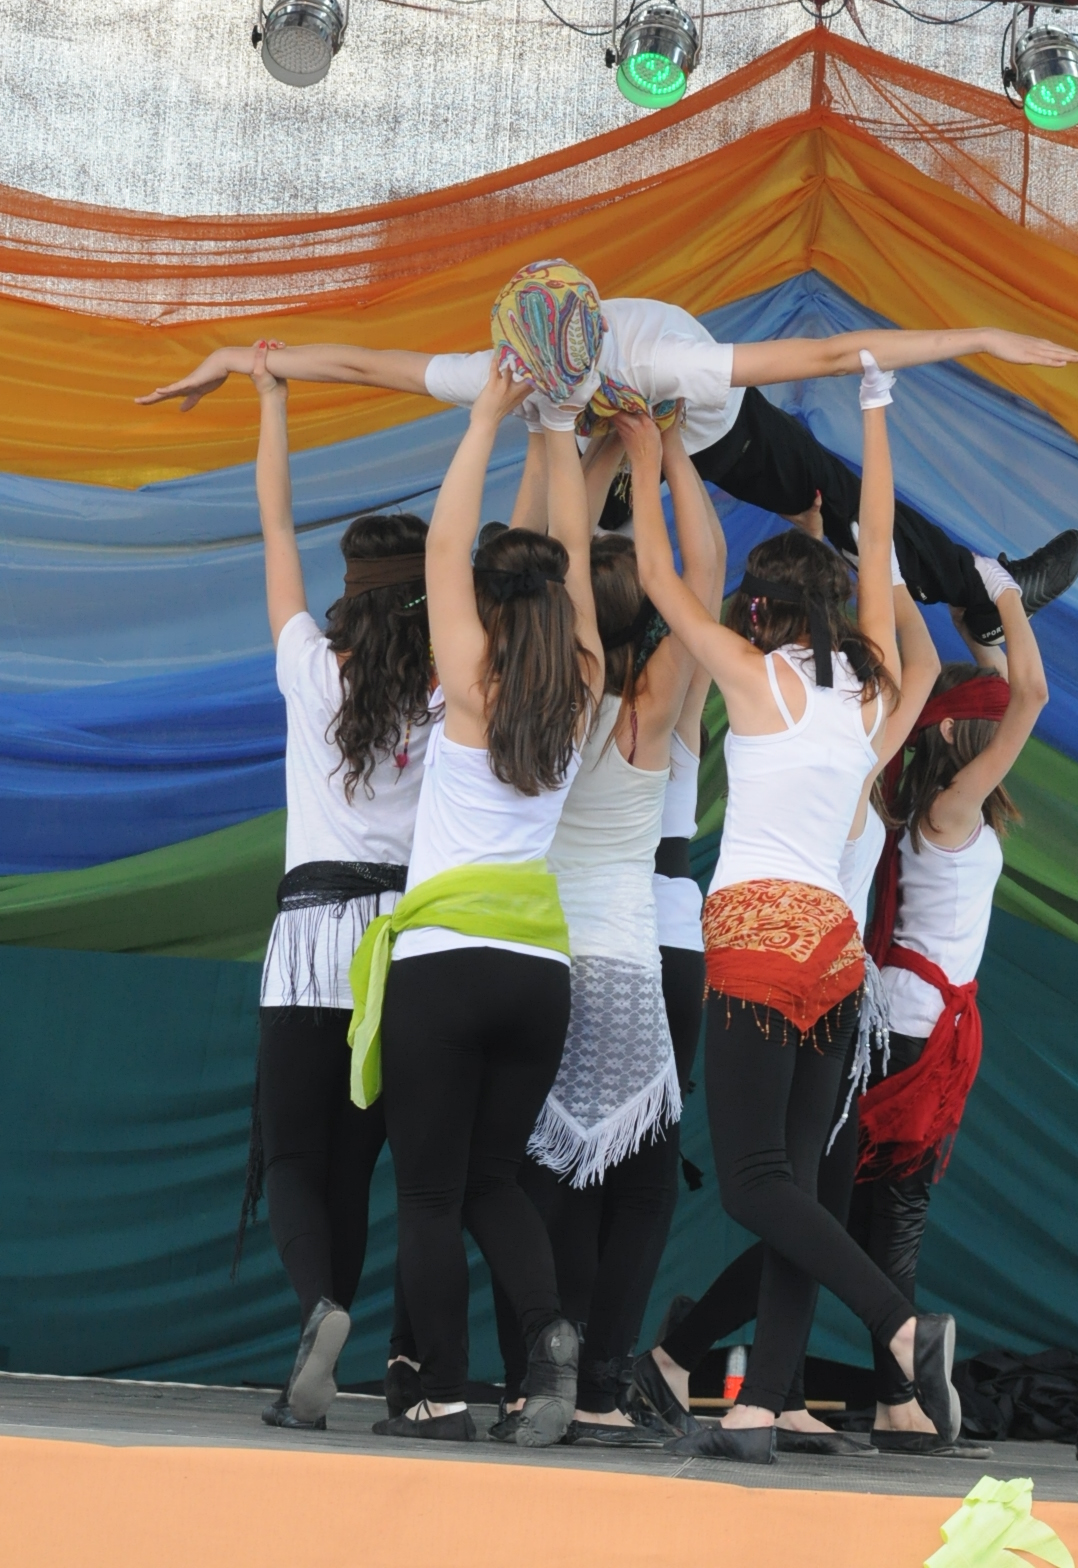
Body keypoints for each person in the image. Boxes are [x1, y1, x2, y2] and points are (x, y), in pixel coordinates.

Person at [617, 352, 961, 1464]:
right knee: (800, 1185)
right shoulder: (874, 692)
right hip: (836, 957)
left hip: (757, 940)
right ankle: (760, 1402)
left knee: (760, 1185)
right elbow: (879, 547)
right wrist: (875, 408)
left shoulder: (750, 675)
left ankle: (897, 1323)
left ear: (757, 612)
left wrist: (651, 451)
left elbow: (660, 576)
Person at [135, 258, 1078, 646]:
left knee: (828, 491)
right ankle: (581, 653)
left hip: (711, 433)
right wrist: (241, 359)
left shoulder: (662, 360)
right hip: (608, 458)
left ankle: (981, 592)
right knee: (557, 560)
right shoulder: (504, 371)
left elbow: (834, 355)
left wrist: (982, 337)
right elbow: (362, 364)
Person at [345, 363, 603, 1446]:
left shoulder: (470, 680)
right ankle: (547, 1331)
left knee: (429, 1197)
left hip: (445, 963)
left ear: (493, 608)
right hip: (539, 973)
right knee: (495, 1178)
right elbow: (571, 554)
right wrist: (558, 430)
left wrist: (490, 415)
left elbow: (443, 546)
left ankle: (439, 1396)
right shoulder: (583, 682)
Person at [493, 413, 722, 1446]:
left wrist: (570, 450)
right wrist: (657, 454)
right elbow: (703, 577)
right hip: (628, 964)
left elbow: (562, 571)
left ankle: (529, 1376)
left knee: (544, 1176)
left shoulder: (554, 689)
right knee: (640, 1186)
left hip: (546, 955)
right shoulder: (650, 704)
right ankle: (596, 1385)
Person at [237, 342, 438, 1433]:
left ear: (348, 597)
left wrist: (271, 397)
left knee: (290, 1154)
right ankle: (347, 1348)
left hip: (311, 933)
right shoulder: (450, 694)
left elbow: (275, 525)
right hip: (402, 944)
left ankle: (318, 1308)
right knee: (358, 1165)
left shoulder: (309, 664)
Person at [850, 580, 1047, 1454]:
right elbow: (1029, 697)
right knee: (887, 1218)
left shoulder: (935, 803)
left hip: (910, 1024)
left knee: (862, 1217)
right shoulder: (951, 809)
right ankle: (895, 1399)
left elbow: (1003, 693)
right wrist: (1007, 594)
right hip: (915, 1033)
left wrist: (977, 629)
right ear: (970, 740)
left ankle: (892, 1398)